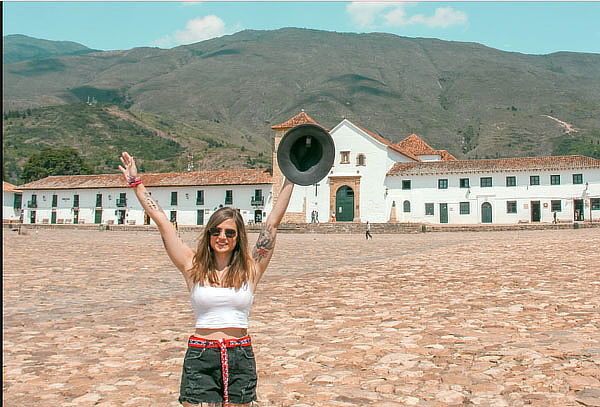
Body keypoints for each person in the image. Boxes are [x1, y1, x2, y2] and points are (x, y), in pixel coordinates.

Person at [118, 152, 295, 407]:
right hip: (201, 357)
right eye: (216, 230)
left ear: (238, 237)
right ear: (209, 233)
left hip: (240, 356)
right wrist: (136, 183)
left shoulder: (251, 268)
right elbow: (163, 223)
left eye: (230, 232)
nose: (222, 237)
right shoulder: (193, 266)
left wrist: (292, 177)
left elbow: (272, 224)